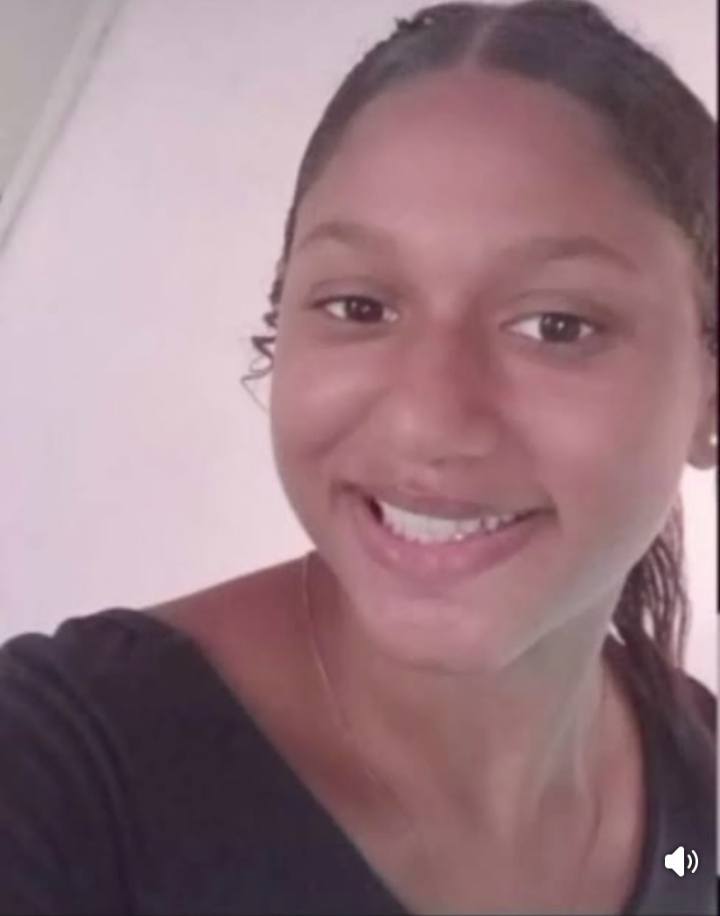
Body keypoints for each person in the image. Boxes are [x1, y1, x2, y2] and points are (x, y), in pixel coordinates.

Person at [0, 1, 716, 913]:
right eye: (360, 307)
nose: (427, 421)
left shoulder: (697, 810)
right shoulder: (64, 782)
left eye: (557, 325)